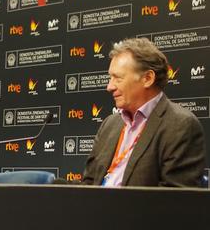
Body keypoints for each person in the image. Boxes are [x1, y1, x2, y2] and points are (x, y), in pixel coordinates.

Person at [83, 38, 206, 187]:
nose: (109, 86)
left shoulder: (181, 126)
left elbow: (175, 201)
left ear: (147, 78)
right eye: (110, 77)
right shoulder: (110, 124)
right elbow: (88, 183)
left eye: (118, 78)